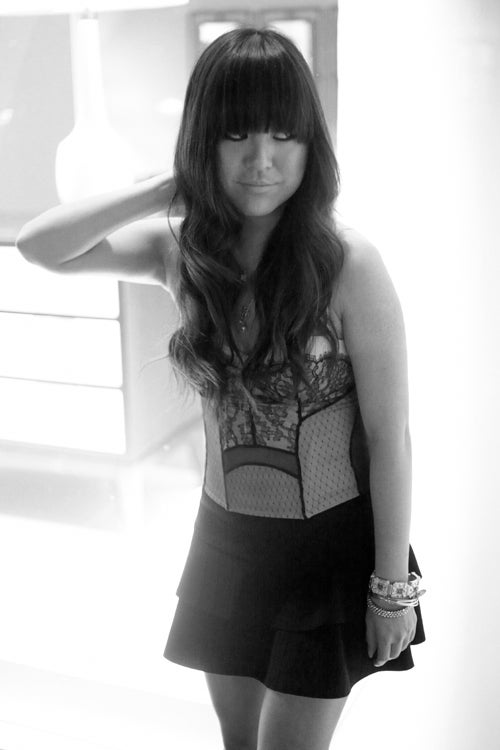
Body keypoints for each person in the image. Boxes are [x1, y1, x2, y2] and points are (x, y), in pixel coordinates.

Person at [16, 27, 425, 750]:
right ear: (204, 142)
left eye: (283, 135)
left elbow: (389, 437)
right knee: (238, 740)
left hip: (328, 550)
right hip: (227, 542)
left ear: (311, 144)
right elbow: (40, 245)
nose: (261, 160)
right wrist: (165, 188)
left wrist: (391, 588)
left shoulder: (348, 264)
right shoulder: (183, 252)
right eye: (235, 134)